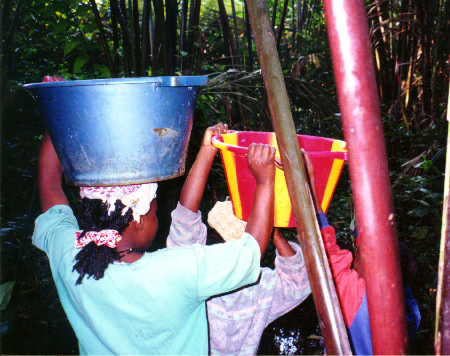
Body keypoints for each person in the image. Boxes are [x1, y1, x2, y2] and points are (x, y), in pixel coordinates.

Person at [33, 119, 278, 355]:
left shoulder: (69, 256)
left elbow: (50, 186)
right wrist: (265, 181)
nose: (157, 215)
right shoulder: (178, 270)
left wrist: (56, 112)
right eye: (154, 207)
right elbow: (251, 250)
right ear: (138, 220)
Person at [303, 151, 421, 355]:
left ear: (376, 271)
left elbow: (324, 248)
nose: (354, 251)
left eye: (358, 252)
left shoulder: (355, 296)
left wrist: (309, 182)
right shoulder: (410, 310)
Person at [167, 198, 311, 355]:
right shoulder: (259, 289)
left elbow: (184, 224)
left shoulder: (197, 277)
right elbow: (300, 281)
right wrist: (272, 231)